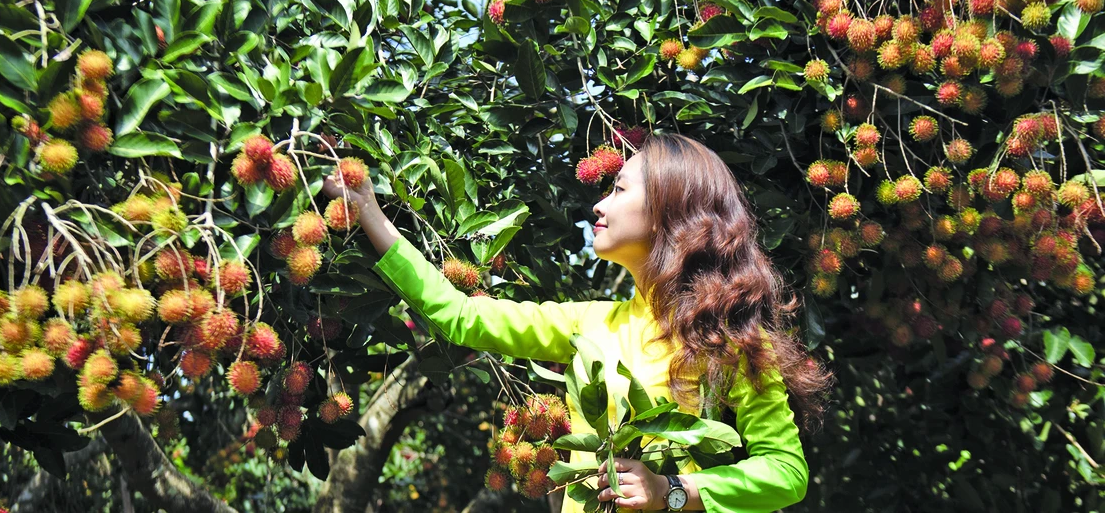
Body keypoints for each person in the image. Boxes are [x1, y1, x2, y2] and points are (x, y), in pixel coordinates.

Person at [321, 132, 833, 512]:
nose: (598, 203)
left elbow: (786, 473)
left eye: (618, 189)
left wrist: (672, 492)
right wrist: (371, 215)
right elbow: (459, 315)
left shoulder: (731, 340)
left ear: (667, 210)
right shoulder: (590, 323)